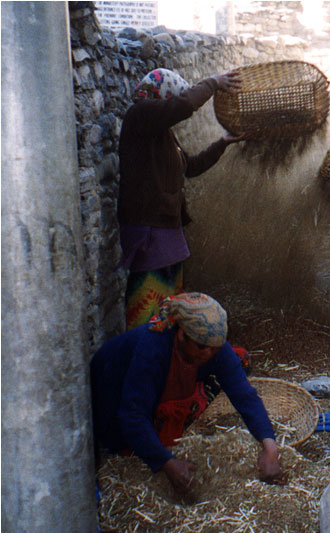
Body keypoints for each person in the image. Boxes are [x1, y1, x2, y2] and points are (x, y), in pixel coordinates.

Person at [91, 293, 283, 494]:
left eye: (214, 349)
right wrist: (167, 462)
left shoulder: (213, 348)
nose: (207, 353)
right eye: (201, 347)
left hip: (147, 388)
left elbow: (245, 396)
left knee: (239, 362)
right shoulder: (153, 348)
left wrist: (270, 448)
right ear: (181, 334)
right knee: (128, 443)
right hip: (109, 395)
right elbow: (133, 415)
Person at [118, 67, 250, 329]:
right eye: (172, 100)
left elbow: (190, 167)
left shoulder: (162, 133)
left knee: (169, 307)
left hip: (166, 232)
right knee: (148, 307)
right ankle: (143, 357)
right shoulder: (141, 115)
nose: (174, 111)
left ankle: (165, 358)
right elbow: (186, 104)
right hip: (149, 232)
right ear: (161, 96)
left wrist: (222, 143)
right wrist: (213, 82)